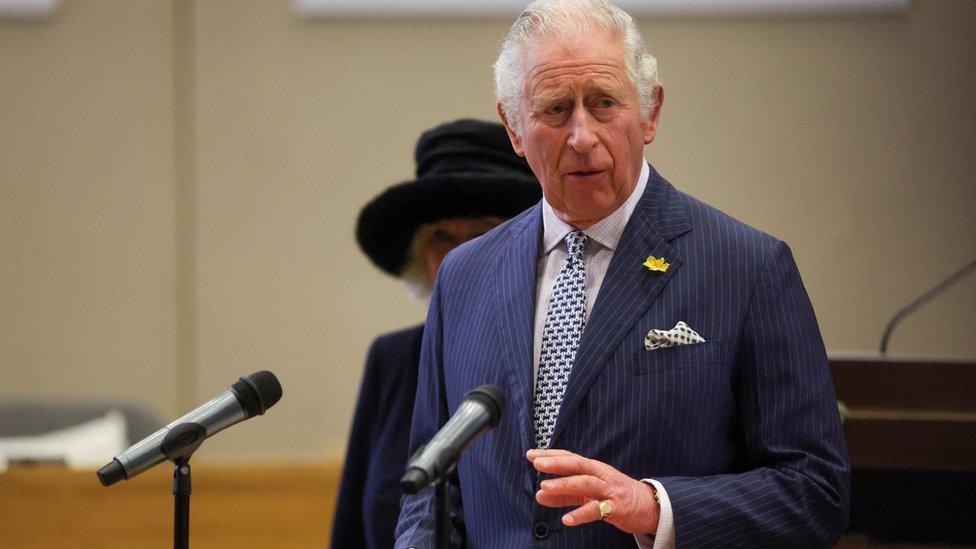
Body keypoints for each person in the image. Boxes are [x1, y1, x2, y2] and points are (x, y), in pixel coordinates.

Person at [395, 1, 850, 547]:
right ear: (515, 129)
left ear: (651, 112)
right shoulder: (465, 274)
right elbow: (430, 482)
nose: (582, 136)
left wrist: (657, 507)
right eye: (556, 110)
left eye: (604, 104)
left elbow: (815, 490)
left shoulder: (747, 267)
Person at [330, 119, 542, 549]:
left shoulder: (552, 353)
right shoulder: (392, 359)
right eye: (441, 236)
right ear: (417, 253)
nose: (458, 254)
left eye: (482, 232)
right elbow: (352, 524)